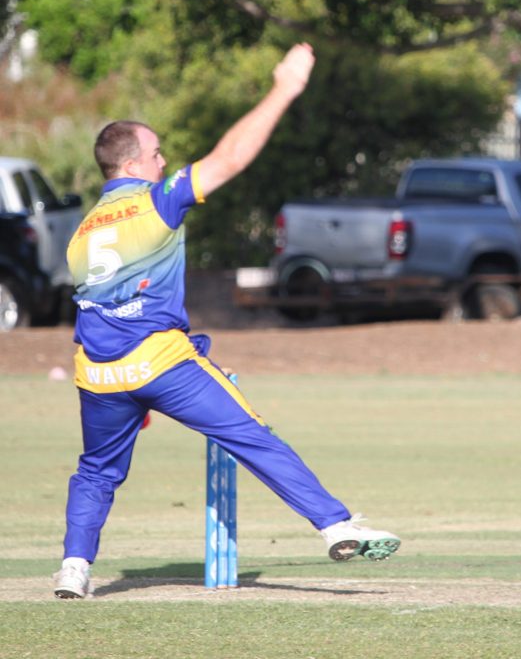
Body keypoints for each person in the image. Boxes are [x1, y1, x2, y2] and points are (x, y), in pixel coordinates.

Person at [53, 43, 400, 600]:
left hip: (98, 374)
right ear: (134, 164)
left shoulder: (82, 230)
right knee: (251, 435)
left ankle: (74, 567)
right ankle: (335, 524)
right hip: (162, 363)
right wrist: (284, 88)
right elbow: (231, 158)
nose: (165, 161)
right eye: (158, 153)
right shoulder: (155, 201)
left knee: (96, 471)